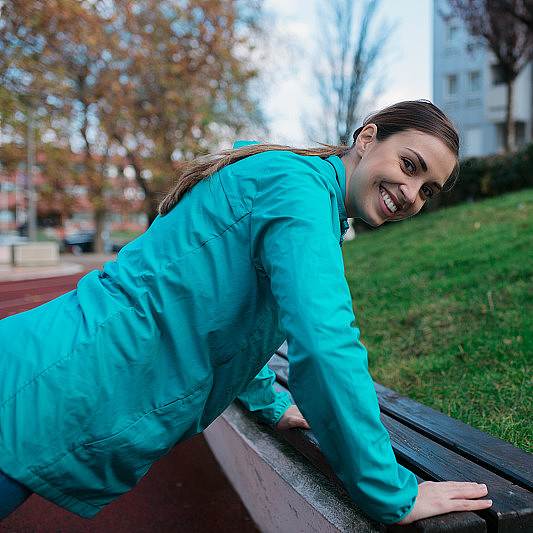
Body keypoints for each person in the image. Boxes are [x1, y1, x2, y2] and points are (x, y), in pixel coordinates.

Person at [0, 100, 493, 525]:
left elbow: (236, 310)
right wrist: (393, 493)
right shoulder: (299, 192)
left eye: (428, 189)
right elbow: (325, 345)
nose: (412, 194)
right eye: (410, 166)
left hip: (59, 380)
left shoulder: (299, 187)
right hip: (52, 389)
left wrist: (268, 402)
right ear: (367, 138)